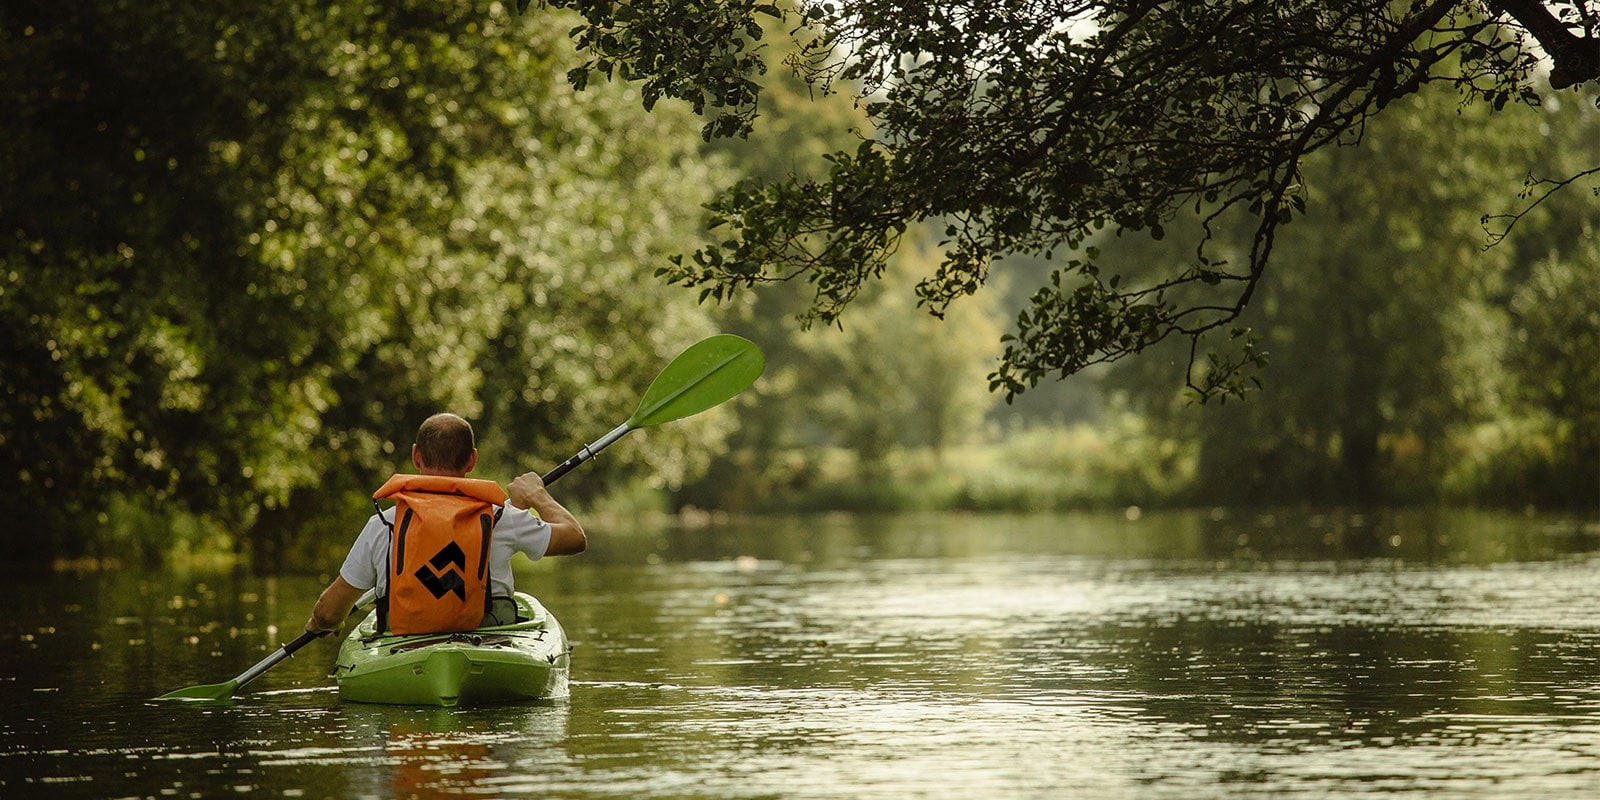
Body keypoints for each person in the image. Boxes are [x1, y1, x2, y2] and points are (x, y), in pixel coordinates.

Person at [304, 412, 585, 637]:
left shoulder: (383, 523)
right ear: (472, 460)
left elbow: (329, 613)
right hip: (487, 639)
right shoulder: (501, 517)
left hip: (406, 649)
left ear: (416, 456)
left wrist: (322, 623)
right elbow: (574, 538)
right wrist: (537, 495)